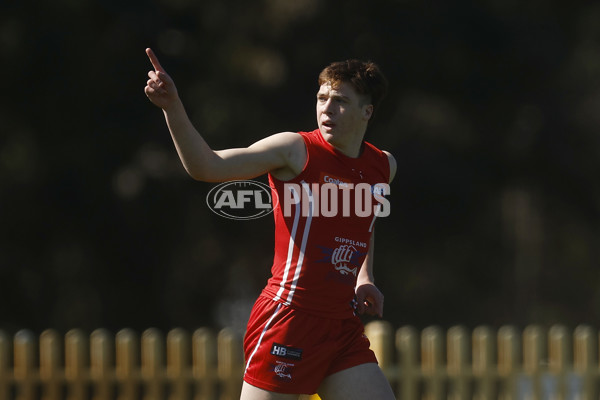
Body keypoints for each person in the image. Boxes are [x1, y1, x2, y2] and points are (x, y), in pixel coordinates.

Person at [144, 47, 397, 400]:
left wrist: (364, 276)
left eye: (339, 100)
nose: (326, 107)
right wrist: (172, 107)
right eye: (322, 97)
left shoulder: (383, 166)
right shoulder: (295, 149)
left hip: (342, 326)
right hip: (289, 319)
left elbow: (365, 222)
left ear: (366, 111)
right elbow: (207, 166)